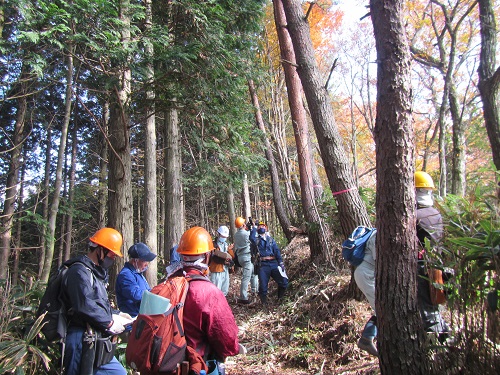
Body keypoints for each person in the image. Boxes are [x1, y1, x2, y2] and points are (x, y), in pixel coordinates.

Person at [60, 227, 131, 375]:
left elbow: (97, 303)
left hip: (95, 339)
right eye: (111, 254)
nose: (113, 258)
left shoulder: (94, 273)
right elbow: (84, 305)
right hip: (79, 337)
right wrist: (109, 323)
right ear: (100, 250)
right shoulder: (78, 271)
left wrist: (117, 314)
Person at [173, 226, 241, 373]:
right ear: (206, 256)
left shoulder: (167, 283)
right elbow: (227, 338)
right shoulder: (209, 292)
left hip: (167, 362)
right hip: (198, 365)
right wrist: (233, 348)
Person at [415, 171, 450, 343]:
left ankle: (439, 341)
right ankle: (443, 331)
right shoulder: (436, 213)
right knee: (432, 302)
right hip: (436, 264)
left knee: (427, 307)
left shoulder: (414, 216)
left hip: (422, 265)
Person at [249, 220, 288, 305]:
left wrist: (280, 262)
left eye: (263, 226)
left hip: (274, 263)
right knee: (263, 287)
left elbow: (276, 251)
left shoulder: (270, 240)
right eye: (259, 226)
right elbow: (251, 238)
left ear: (266, 228)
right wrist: (254, 227)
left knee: (284, 282)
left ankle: (280, 300)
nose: (261, 227)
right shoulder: (256, 240)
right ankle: (264, 305)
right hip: (263, 265)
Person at [116, 242, 157, 318]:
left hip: (141, 316)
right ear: (136, 260)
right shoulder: (125, 275)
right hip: (131, 318)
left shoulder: (138, 274)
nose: (147, 264)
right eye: (145, 261)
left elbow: (147, 290)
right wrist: (155, 292)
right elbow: (135, 294)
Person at [354, 231, 378, 356]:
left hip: (367, 274)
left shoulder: (376, 234)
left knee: (381, 308)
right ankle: (366, 339)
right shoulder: (378, 236)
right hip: (366, 275)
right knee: (383, 308)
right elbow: (378, 259)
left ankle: (367, 338)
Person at [233, 216, 258, 304]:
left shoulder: (236, 235)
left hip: (241, 258)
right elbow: (252, 237)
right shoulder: (246, 234)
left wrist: (248, 228)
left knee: (253, 274)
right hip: (247, 258)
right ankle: (243, 297)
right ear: (243, 224)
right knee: (246, 277)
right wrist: (254, 227)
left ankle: (255, 291)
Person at [208, 225, 234, 296]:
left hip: (225, 270)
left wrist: (230, 250)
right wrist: (224, 261)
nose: (224, 238)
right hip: (217, 270)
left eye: (225, 237)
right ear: (218, 234)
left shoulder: (226, 245)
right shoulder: (213, 244)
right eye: (223, 236)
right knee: (216, 291)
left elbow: (231, 257)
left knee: (224, 291)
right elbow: (214, 257)